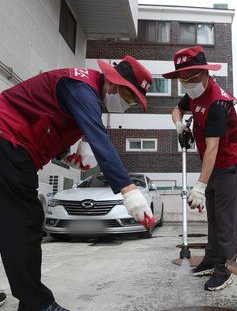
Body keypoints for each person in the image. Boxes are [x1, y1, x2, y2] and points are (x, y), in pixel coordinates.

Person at [0, 56, 156, 311]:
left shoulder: (84, 90)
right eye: (128, 97)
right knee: (25, 223)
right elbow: (99, 138)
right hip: (8, 140)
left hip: (9, 140)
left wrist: (66, 156)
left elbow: (47, 119)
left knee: (7, 222)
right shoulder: (82, 87)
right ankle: (36, 304)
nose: (127, 105)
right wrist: (129, 191)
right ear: (114, 83)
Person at [164, 46, 237, 291]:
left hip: (229, 164)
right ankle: (211, 259)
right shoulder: (193, 94)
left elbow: (212, 149)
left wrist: (199, 186)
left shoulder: (217, 103)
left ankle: (226, 267)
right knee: (212, 214)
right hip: (212, 166)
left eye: (192, 77)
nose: (188, 83)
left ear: (205, 73)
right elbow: (177, 109)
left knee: (226, 219)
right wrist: (180, 126)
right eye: (183, 79)